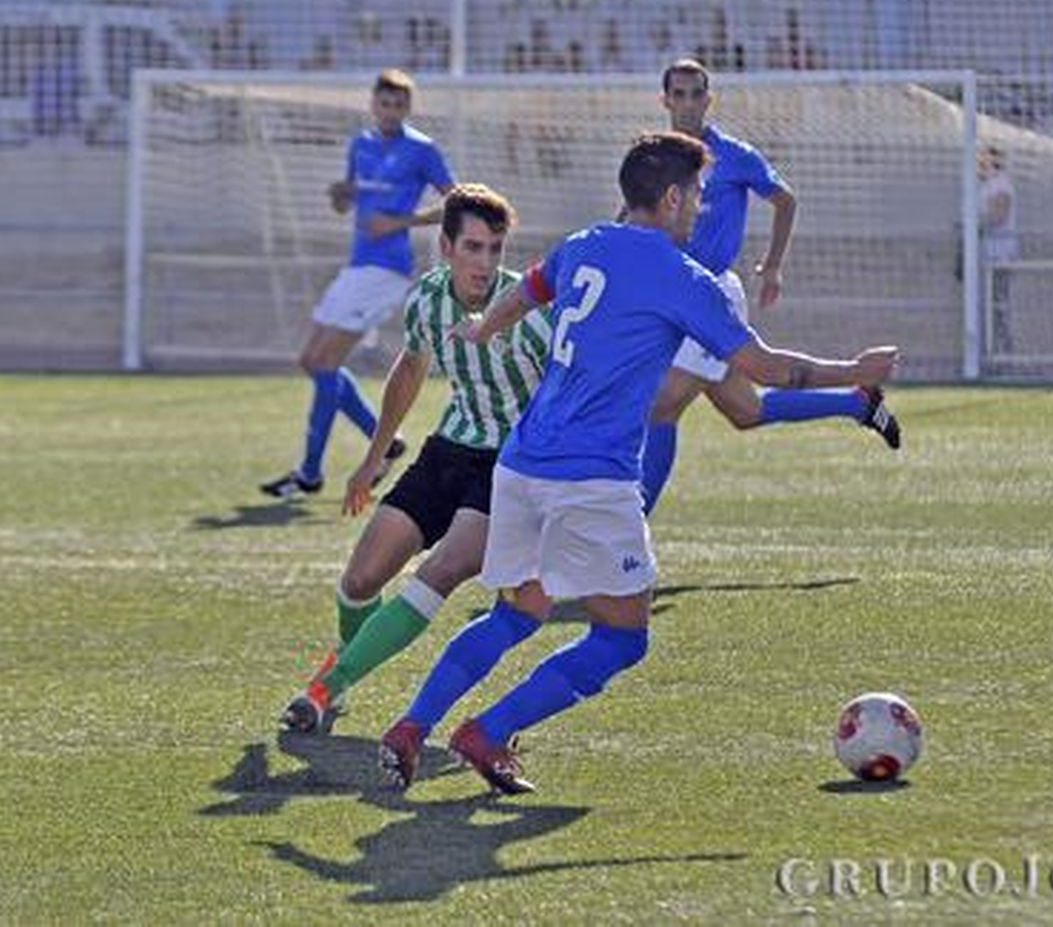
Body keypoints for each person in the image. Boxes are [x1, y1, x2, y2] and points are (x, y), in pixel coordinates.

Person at [378, 131, 899, 794]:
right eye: (700, 198)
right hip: (591, 477)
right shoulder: (682, 277)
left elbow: (526, 292)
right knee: (623, 638)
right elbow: (764, 367)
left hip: (522, 463)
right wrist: (854, 370)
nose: (701, 212)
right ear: (674, 196)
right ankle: (487, 730)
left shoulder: (585, 243)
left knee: (515, 613)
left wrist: (484, 328)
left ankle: (411, 726)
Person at [280, 184, 552, 733]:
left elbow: (568, 393)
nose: (485, 261)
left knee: (437, 573)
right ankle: (343, 673)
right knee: (360, 581)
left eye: (495, 248)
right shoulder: (427, 299)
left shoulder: (528, 311)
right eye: (473, 247)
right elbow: (409, 370)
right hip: (448, 451)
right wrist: (372, 459)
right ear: (446, 248)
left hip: (510, 467)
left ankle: (324, 687)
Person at [638, 59, 900, 515]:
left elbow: (785, 199)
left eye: (695, 94)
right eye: (677, 95)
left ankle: (628, 542)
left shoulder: (734, 155)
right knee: (746, 411)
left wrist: (773, 266)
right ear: (664, 101)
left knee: (662, 407)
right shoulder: (654, 159)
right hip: (670, 298)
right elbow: (633, 218)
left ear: (708, 99)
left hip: (710, 296)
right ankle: (857, 403)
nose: (686, 104)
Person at [261, 70, 456, 499]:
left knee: (325, 363)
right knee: (311, 360)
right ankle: (387, 441)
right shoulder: (361, 144)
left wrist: (400, 221)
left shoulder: (421, 150)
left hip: (386, 270)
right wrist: (340, 196)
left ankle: (309, 473)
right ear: (373, 104)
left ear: (408, 108)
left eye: (398, 105)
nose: (390, 111)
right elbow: (346, 204)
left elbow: (456, 203)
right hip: (356, 264)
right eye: (384, 103)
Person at [977, 146, 1018, 356]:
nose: (978, 165)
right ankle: (991, 350)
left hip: (1000, 256)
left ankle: (1003, 352)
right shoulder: (985, 186)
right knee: (990, 306)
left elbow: (999, 214)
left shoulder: (1000, 185)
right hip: (987, 255)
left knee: (998, 305)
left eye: (982, 161)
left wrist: (975, 226)